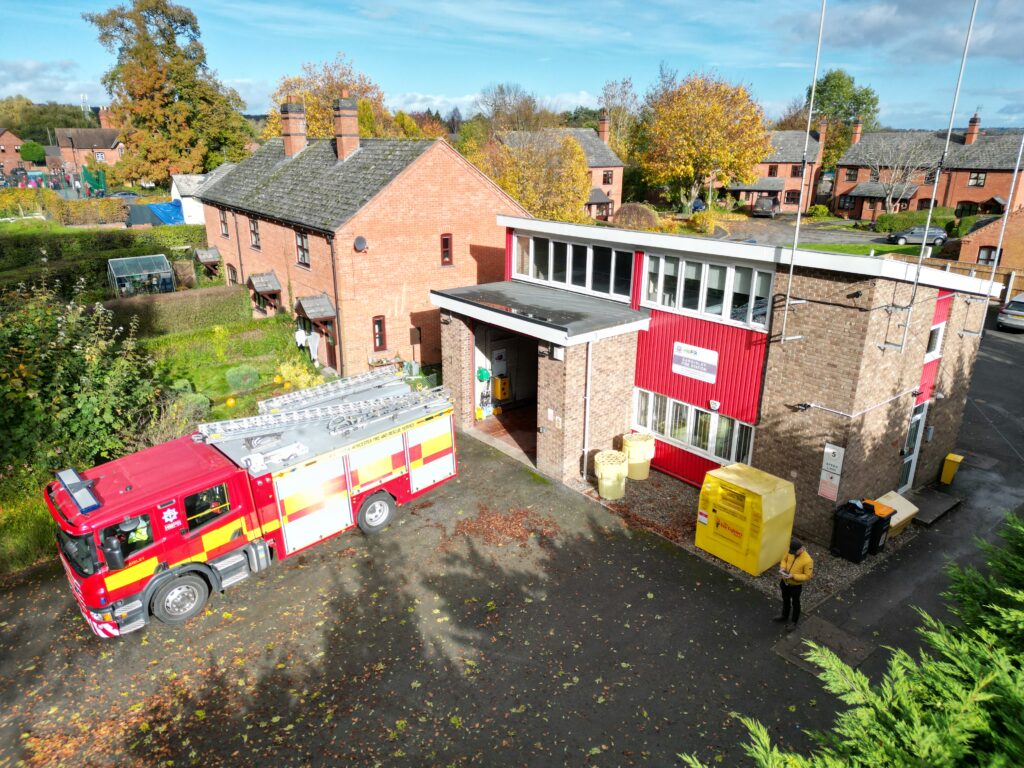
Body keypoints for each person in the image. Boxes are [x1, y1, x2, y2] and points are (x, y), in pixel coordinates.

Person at [774, 537, 813, 629]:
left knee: (795, 603)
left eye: (794, 552)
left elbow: (808, 576)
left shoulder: (808, 560)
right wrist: (783, 568)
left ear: (801, 549)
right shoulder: (791, 550)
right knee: (785, 599)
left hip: (795, 586)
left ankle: (794, 622)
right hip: (785, 582)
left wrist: (793, 576)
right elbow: (784, 560)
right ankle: (784, 616)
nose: (792, 553)